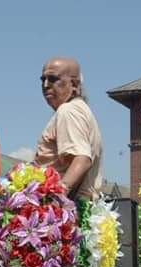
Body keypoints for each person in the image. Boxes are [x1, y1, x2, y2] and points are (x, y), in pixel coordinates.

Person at [34, 57, 103, 200]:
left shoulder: (68, 111)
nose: (46, 85)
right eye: (43, 79)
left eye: (53, 79)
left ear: (74, 84)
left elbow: (81, 159)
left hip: (67, 212)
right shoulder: (80, 109)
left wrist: (58, 197)